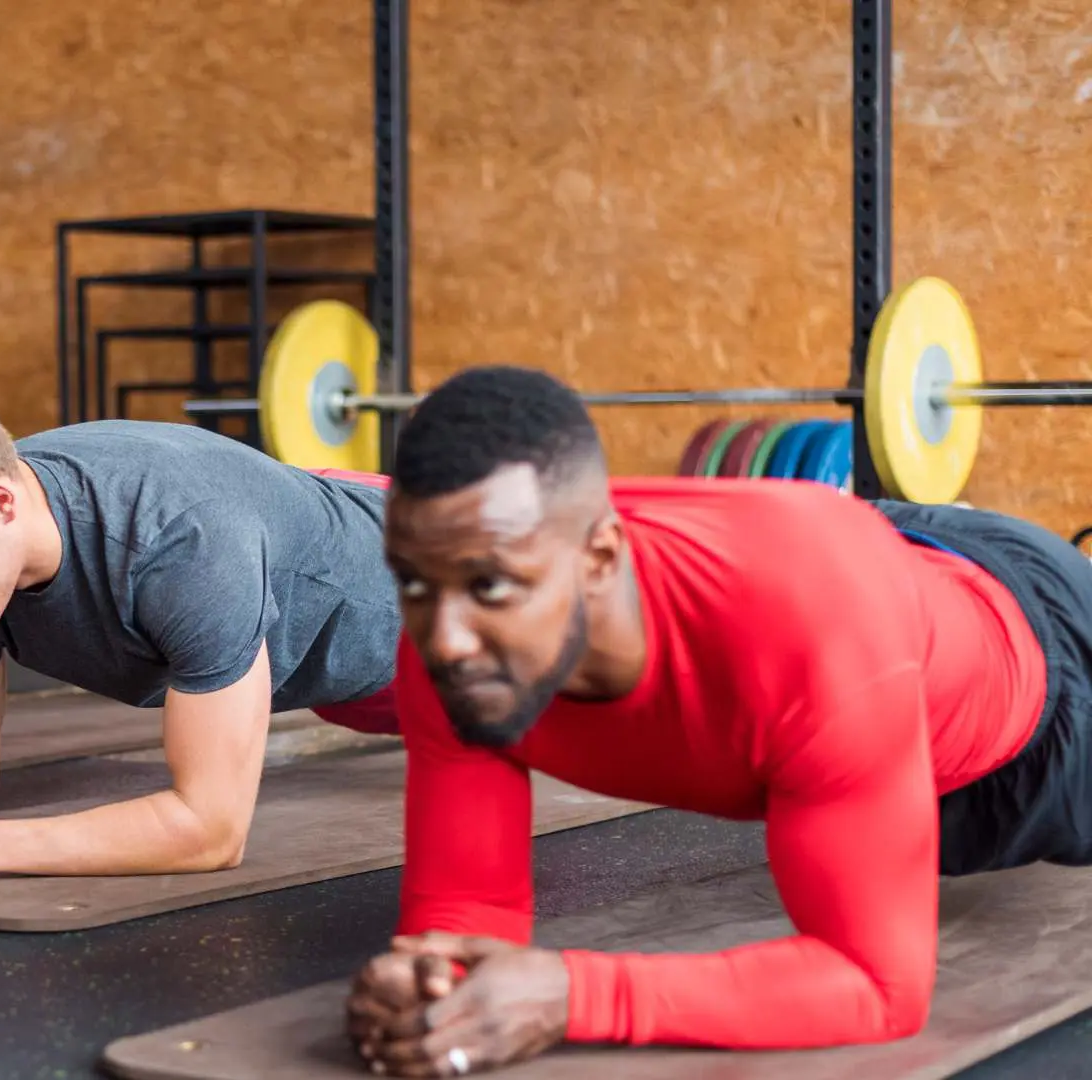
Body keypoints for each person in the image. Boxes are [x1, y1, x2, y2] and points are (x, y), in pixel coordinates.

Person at [343, 364, 1092, 1076]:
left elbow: (878, 986)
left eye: (490, 585)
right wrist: (431, 986)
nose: (443, 637)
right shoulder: (455, 646)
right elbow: (469, 909)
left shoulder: (810, 643)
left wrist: (575, 995)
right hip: (867, 561)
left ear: (600, 558)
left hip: (1036, 693)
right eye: (412, 579)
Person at [0, 380, 402, 886]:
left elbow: (212, 830)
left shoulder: (183, 545)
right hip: (308, 614)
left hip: (424, 589)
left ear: (0, 503)